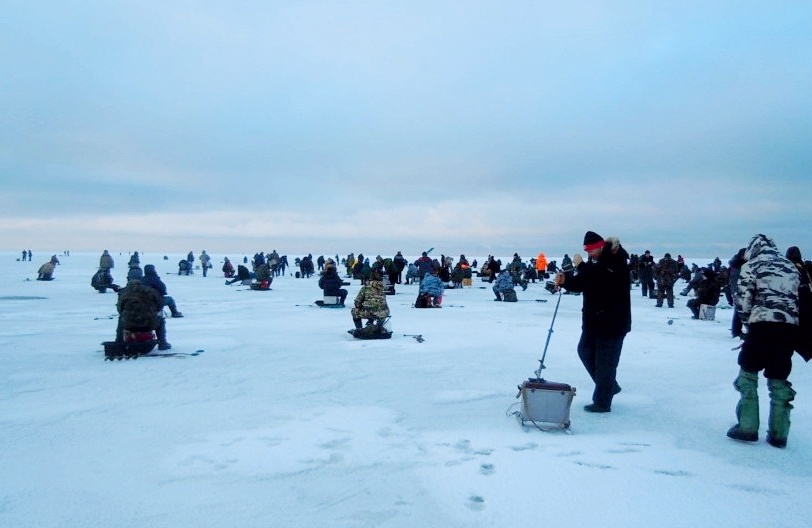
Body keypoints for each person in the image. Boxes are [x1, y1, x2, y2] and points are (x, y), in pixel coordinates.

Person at [727, 234, 800, 448]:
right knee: (779, 377)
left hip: (761, 325)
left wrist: (747, 324)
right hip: (788, 328)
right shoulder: (791, 266)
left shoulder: (752, 265)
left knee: (748, 375)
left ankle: (747, 427)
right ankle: (779, 433)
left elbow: (743, 299)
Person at [554, 231, 631, 413]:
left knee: (606, 363)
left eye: (591, 250)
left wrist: (580, 265)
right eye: (587, 251)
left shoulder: (616, 259)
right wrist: (566, 281)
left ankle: (603, 402)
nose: (589, 254)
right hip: (593, 321)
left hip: (612, 322)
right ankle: (609, 386)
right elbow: (584, 282)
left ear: (601, 246)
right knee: (584, 351)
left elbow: (601, 279)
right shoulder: (595, 263)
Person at [115, 276, 171, 350]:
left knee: (121, 320)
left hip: (129, 325)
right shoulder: (150, 291)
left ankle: (119, 342)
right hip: (149, 323)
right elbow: (159, 304)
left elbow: (119, 309)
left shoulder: (123, 293)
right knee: (160, 321)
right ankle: (162, 343)